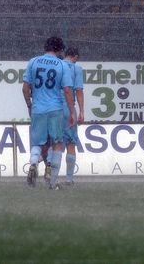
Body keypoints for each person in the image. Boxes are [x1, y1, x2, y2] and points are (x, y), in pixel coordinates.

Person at [22, 36, 75, 190]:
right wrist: (71, 112)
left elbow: (25, 88)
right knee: (57, 143)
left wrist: (29, 105)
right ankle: (52, 181)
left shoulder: (33, 62)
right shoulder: (62, 65)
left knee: (38, 142)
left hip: (38, 108)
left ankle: (33, 163)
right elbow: (66, 90)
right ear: (59, 49)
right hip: (55, 109)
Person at [60, 47, 84, 186]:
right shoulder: (76, 68)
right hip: (68, 108)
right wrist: (81, 111)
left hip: (54, 108)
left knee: (55, 143)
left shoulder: (58, 66)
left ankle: (51, 176)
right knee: (70, 143)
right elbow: (78, 91)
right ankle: (69, 179)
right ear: (75, 57)